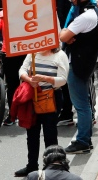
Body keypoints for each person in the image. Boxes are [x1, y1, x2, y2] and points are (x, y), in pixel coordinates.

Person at [59, 0, 98, 154]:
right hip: (85, 62)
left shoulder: (84, 17)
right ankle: (85, 140)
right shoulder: (91, 11)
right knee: (84, 104)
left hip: (79, 65)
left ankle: (83, 141)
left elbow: (63, 36)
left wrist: (66, 35)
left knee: (82, 106)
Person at [14, 46, 69, 178]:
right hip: (32, 98)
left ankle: (52, 167)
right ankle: (32, 165)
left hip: (51, 98)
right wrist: (29, 80)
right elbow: (22, 70)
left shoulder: (60, 55)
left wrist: (44, 78)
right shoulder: (33, 52)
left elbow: (62, 80)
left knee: (50, 134)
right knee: (32, 133)